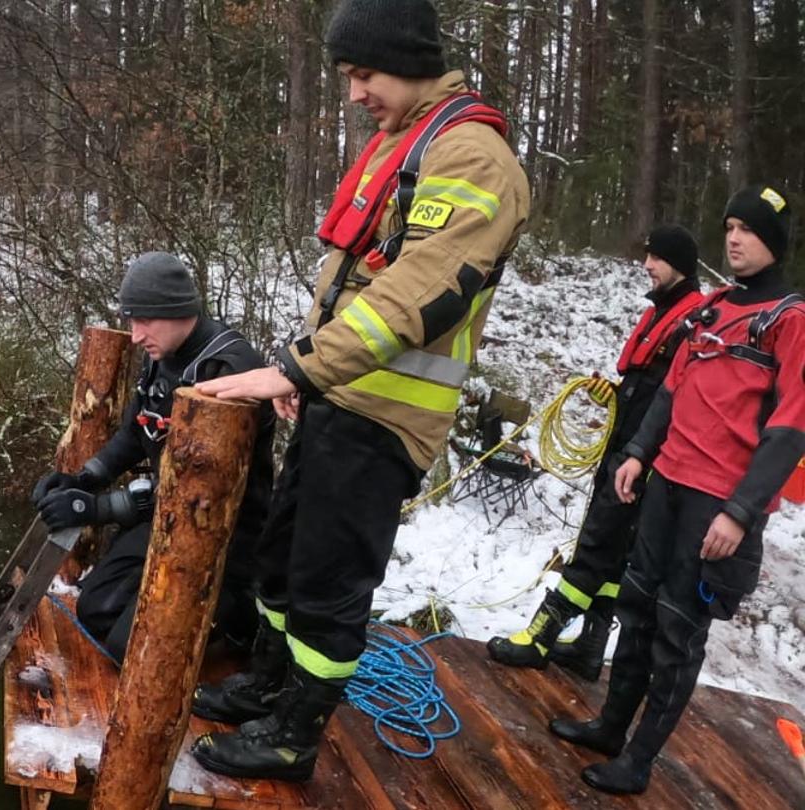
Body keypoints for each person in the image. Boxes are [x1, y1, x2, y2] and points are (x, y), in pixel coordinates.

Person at [189, 0, 530, 782]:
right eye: (348, 75)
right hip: (340, 398)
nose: (354, 93)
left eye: (363, 73)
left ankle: (292, 738)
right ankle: (269, 686)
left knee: (328, 585)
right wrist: (305, 368)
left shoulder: (471, 157)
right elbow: (353, 282)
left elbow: (417, 294)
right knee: (282, 562)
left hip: (386, 418)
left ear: (407, 59)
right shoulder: (409, 142)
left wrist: (297, 369)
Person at [550, 186, 804, 795]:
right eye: (730, 225)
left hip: (716, 506)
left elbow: (792, 425)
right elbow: (671, 390)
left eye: (748, 229)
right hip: (666, 483)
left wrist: (741, 513)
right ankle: (611, 728)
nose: (734, 238)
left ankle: (638, 760)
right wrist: (639, 452)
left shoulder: (789, 320)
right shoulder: (710, 309)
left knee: (677, 630)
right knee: (636, 610)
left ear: (774, 240)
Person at [29, 251, 274, 660]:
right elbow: (135, 432)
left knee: (132, 649)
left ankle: (237, 623)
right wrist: (83, 480)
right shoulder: (162, 354)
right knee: (96, 609)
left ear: (178, 311)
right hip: (165, 518)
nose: (135, 335)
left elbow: (202, 492)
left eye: (144, 321)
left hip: (220, 536)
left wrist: (98, 509)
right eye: (131, 321)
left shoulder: (229, 369)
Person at [486, 225, 704, 678]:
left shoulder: (690, 325)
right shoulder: (665, 313)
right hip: (627, 447)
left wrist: (640, 456)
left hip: (640, 459)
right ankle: (591, 645)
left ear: (679, 265)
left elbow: (671, 402)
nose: (647, 265)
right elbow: (646, 388)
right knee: (613, 552)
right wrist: (616, 395)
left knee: (597, 542)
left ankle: (540, 636)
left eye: (657, 258)